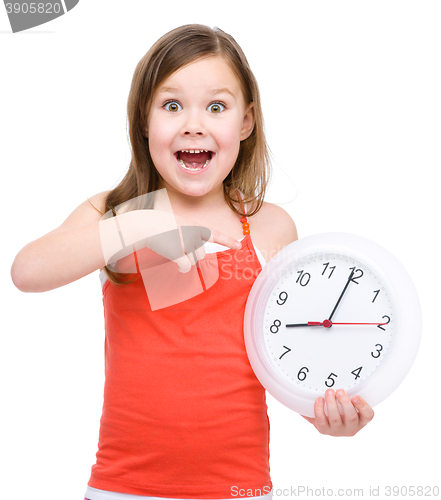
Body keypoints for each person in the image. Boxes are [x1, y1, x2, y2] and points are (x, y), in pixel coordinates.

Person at [10, 24, 374, 500]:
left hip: (240, 489)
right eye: (172, 105)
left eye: (217, 107)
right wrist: (140, 224)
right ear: (144, 120)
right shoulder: (115, 212)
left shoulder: (268, 227)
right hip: (124, 488)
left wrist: (325, 415)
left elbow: (282, 356)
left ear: (246, 122)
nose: (193, 124)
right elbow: (27, 271)